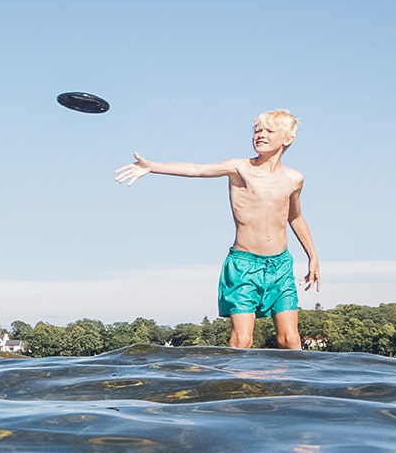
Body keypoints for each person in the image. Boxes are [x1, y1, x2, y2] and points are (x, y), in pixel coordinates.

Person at [114, 109, 318, 349]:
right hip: (244, 264)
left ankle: (295, 388)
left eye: (268, 131)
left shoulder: (294, 178)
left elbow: (295, 217)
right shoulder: (240, 168)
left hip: (280, 264)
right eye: (257, 130)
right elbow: (196, 169)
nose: (260, 135)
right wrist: (152, 167)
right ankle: (234, 385)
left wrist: (312, 256)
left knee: (290, 339)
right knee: (243, 340)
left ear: (287, 139)